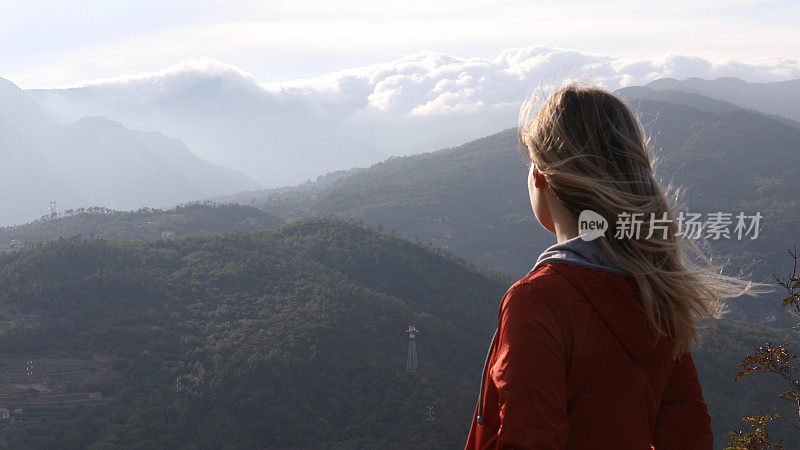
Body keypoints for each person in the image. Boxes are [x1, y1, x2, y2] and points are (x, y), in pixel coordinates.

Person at [465, 85, 755, 449]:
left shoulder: (537, 300)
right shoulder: (657, 292)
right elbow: (688, 432)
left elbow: (528, 437)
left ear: (540, 175)